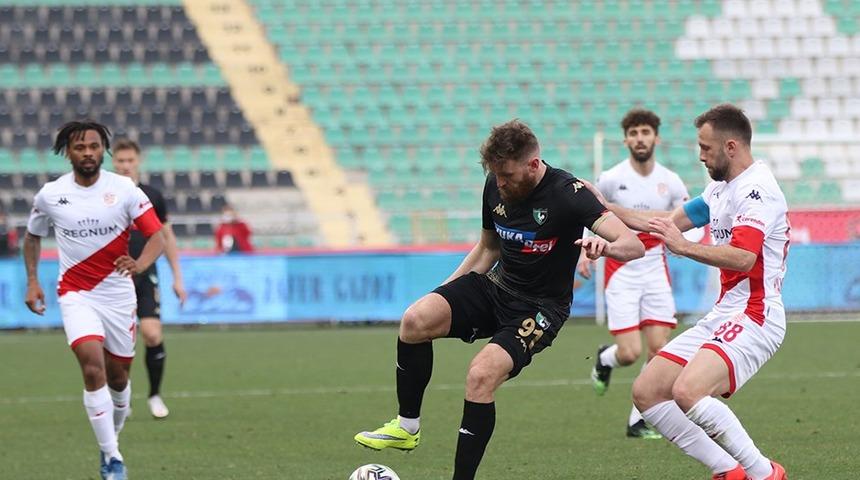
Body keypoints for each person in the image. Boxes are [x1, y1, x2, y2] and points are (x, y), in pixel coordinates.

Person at [354, 120, 646, 480]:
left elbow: (633, 245)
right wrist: (441, 293)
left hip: (540, 309)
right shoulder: (495, 183)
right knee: (415, 319)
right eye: (496, 174)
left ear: (533, 165)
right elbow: (488, 247)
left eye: (507, 174)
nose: (500, 183)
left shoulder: (568, 193)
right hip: (496, 287)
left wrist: (606, 245)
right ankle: (407, 427)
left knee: (481, 375)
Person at [587, 104, 788, 480]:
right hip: (726, 312)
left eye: (705, 148)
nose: (700, 155)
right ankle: (728, 471)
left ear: (730, 147)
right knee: (647, 392)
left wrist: (682, 247)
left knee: (688, 390)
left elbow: (744, 258)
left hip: (757, 314)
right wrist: (602, 209)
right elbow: (664, 224)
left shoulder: (757, 191)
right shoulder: (720, 188)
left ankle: (765, 473)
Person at [23, 120, 164, 480]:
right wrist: (33, 281)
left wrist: (140, 264)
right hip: (76, 293)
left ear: (104, 150)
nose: (88, 153)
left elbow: (157, 236)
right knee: (90, 366)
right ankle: (113, 458)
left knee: (119, 380)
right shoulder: (50, 194)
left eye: (94, 146)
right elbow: (33, 237)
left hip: (117, 294)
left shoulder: (125, 189)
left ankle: (111, 440)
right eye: (80, 147)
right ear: (67, 152)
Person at [576, 108, 689, 439]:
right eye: (634, 133)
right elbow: (590, 211)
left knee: (659, 348)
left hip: (655, 265)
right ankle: (605, 360)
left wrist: (690, 242)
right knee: (630, 353)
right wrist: (585, 249)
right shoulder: (611, 178)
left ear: (656, 137)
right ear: (625, 139)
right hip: (621, 266)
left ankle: (638, 419)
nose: (640, 138)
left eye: (646, 132)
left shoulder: (670, 181)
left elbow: (686, 219)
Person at [112, 139, 187, 419]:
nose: (125, 166)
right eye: (120, 161)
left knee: (152, 333)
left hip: (145, 273)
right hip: (114, 276)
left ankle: (155, 395)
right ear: (113, 163)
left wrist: (177, 277)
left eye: (130, 160)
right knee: (117, 341)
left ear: (138, 162)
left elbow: (166, 237)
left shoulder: (152, 196)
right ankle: (122, 393)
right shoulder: (103, 195)